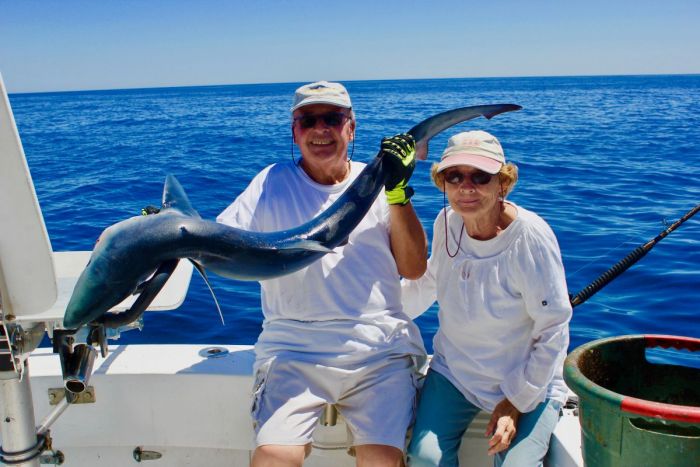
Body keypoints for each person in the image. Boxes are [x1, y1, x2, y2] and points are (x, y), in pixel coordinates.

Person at [217, 81, 428, 467]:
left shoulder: (380, 184)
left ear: (351, 127)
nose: (320, 129)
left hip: (378, 351)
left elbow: (414, 268)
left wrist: (398, 192)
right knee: (273, 460)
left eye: (332, 118)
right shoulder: (269, 183)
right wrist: (170, 233)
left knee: (382, 460)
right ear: (294, 131)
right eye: (308, 120)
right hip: (293, 350)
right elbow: (220, 244)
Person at [402, 130, 572, 466]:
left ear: (503, 184)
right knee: (424, 458)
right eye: (455, 176)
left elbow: (554, 328)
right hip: (456, 372)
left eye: (481, 176)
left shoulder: (531, 238)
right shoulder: (447, 221)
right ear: (442, 183)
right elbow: (429, 283)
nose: (466, 187)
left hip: (525, 381)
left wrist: (516, 401)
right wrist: (372, 315)